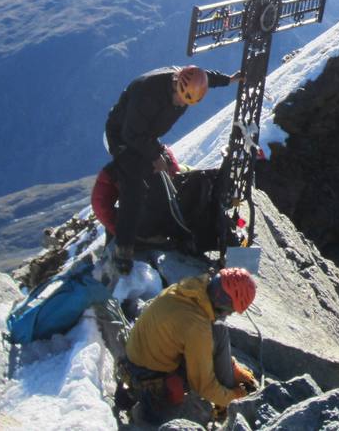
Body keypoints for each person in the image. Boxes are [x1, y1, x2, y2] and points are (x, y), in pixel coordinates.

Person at [104, 65, 241, 272]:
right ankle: (122, 249)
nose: (179, 103)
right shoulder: (147, 93)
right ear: (176, 83)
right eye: (179, 98)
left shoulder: (191, 80)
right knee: (134, 183)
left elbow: (204, 78)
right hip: (121, 137)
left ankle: (157, 229)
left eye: (185, 102)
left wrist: (229, 80)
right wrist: (153, 155)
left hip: (145, 134)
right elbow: (131, 135)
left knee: (163, 177)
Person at [124, 267, 259, 422]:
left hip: (137, 358)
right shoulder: (197, 326)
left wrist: (232, 368)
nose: (228, 315)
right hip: (147, 378)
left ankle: (225, 389)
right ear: (225, 305)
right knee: (167, 410)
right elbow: (204, 386)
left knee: (218, 328)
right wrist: (236, 397)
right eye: (230, 311)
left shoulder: (189, 290)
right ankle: (144, 413)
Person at [90, 145, 180, 241]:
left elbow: (100, 205)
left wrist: (121, 231)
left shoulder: (112, 171)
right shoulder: (161, 152)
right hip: (176, 209)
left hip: (147, 227)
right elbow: (175, 172)